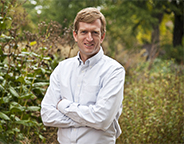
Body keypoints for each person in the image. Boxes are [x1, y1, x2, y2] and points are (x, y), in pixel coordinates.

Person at [41, 7, 125, 144]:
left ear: (102, 36)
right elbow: (47, 115)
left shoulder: (114, 71)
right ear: (75, 35)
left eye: (95, 33)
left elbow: (102, 119)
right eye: (84, 32)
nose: (89, 38)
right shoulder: (62, 69)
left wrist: (63, 107)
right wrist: (89, 121)